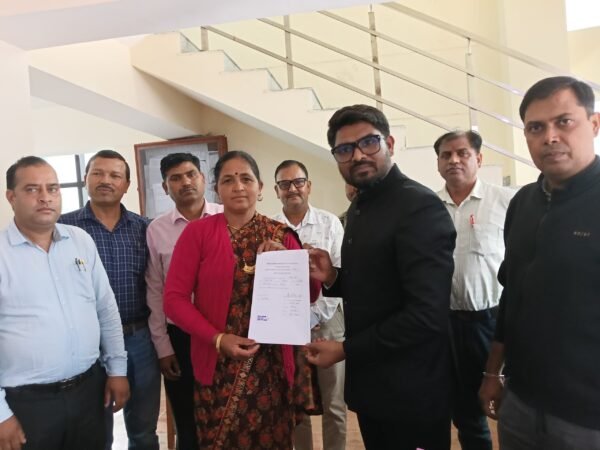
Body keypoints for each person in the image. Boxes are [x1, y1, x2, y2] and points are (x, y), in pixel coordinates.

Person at [306, 104, 456, 450]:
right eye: (345, 149)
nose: (358, 155)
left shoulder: (418, 207)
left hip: (412, 391)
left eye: (368, 142)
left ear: (389, 143)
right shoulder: (361, 205)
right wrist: (333, 277)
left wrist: (344, 349)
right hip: (374, 389)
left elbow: (426, 314)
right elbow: (378, 285)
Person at [164, 151, 321, 450]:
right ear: (217, 189)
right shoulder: (198, 233)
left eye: (246, 179)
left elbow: (309, 296)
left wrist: (290, 263)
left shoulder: (281, 235)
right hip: (217, 363)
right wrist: (218, 339)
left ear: (260, 188)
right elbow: (174, 300)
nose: (238, 186)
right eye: (228, 180)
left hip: (271, 369)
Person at [479, 76, 600, 449]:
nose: (550, 137)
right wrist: (492, 373)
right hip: (521, 404)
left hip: (587, 420)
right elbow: (511, 294)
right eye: (536, 128)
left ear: (594, 124)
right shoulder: (523, 203)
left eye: (564, 122)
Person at [0, 156, 129, 450]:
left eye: (53, 188)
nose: (45, 197)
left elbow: (106, 309)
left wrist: (117, 370)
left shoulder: (80, 240)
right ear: (11, 197)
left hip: (90, 392)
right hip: (27, 403)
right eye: (32, 189)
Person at [59, 150, 160, 450]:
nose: (106, 180)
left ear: (127, 185)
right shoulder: (63, 229)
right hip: (86, 342)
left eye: (115, 175)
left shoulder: (145, 228)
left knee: (143, 431)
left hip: (139, 338)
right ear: (85, 179)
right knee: (95, 432)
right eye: (98, 173)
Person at [434, 130, 514, 450]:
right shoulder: (428, 207)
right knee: (464, 411)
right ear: (438, 163)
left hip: (492, 323)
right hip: (445, 323)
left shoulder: (505, 201)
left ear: (478, 159)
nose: (453, 160)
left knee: (506, 405)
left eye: (462, 153)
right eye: (446, 155)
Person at [145, 153, 223, 450]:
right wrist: (163, 347)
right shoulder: (157, 230)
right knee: (188, 424)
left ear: (203, 179)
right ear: (166, 188)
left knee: (228, 415)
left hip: (225, 333)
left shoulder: (226, 216)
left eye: (191, 174)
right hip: (181, 338)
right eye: (175, 178)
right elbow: (155, 290)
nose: (185, 182)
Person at [272, 160, 346, 450]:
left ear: (308, 186)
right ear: (276, 190)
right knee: (297, 404)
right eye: (285, 184)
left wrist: (312, 316)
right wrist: (295, 321)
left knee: (334, 403)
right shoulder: (269, 227)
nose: (292, 189)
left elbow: (339, 277)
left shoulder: (330, 223)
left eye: (298, 182)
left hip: (328, 321)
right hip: (286, 328)